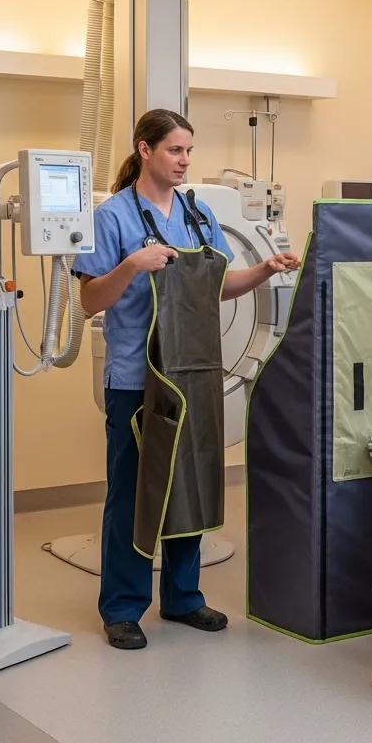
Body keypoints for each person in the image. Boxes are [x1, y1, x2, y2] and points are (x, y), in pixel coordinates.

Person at [75, 109, 300, 651]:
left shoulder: (197, 215)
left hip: (194, 372)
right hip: (136, 377)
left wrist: (264, 271)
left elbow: (216, 286)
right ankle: (123, 608)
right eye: (175, 150)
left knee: (191, 483)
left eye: (188, 152)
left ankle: (183, 597)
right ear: (145, 149)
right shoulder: (114, 218)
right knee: (132, 492)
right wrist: (132, 266)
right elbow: (88, 301)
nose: (184, 161)